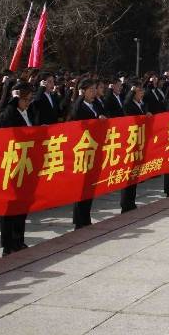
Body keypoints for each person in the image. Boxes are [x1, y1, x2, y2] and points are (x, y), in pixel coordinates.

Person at [0, 82, 34, 255]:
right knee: (10, 206)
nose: (27, 102)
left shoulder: (28, 112)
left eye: (29, 99)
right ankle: (8, 244)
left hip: (26, 164)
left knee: (23, 204)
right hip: (11, 164)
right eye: (24, 99)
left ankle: (19, 240)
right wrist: (13, 99)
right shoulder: (9, 113)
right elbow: (2, 119)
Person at [69, 79, 105, 229]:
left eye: (94, 89)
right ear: (83, 91)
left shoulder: (95, 104)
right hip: (83, 151)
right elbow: (76, 124)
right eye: (90, 90)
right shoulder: (79, 107)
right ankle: (79, 220)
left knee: (90, 186)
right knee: (81, 187)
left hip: (94, 149)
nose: (93, 92)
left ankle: (86, 216)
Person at [120, 80, 151, 212]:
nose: (142, 93)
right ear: (134, 92)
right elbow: (127, 110)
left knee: (135, 173)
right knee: (129, 173)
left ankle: (131, 201)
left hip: (140, 140)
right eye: (139, 91)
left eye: (142, 91)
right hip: (130, 142)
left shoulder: (141, 104)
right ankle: (125, 203)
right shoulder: (129, 104)